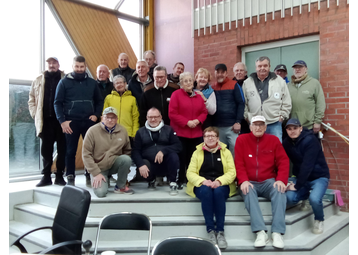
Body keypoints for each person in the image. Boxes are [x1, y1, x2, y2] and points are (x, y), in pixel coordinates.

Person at [235, 115, 289, 249]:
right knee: (248, 190)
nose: (258, 127)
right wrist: (243, 180)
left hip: (267, 181)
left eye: (261, 125)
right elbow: (238, 163)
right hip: (249, 181)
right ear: (250, 126)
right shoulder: (241, 139)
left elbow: (283, 161)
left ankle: (277, 232)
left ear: (265, 127)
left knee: (279, 190)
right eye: (255, 124)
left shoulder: (274, 140)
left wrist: (281, 179)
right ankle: (260, 232)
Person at [54, 55, 103, 186]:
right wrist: (62, 121)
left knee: (90, 150)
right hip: (71, 122)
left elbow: (99, 101)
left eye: (82, 67)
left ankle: (89, 173)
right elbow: (57, 103)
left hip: (88, 121)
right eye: (77, 66)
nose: (79, 69)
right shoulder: (64, 82)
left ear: (85, 67)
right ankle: (70, 176)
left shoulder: (92, 83)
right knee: (70, 151)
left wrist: (96, 115)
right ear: (72, 66)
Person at [186, 127, 237, 249]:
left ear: (218, 138)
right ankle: (210, 230)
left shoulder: (226, 152)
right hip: (203, 184)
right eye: (207, 136)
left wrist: (220, 181)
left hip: (222, 184)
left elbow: (232, 172)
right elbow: (190, 173)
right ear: (203, 138)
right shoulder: (197, 152)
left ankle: (220, 231)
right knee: (206, 192)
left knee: (218, 192)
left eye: (212, 136)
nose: (210, 138)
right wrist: (203, 181)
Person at [283, 119, 330, 234]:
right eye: (289, 129)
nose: (292, 131)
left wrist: (297, 185)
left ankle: (319, 219)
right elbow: (282, 161)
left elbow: (307, 165)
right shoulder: (286, 143)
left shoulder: (311, 140)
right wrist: (283, 181)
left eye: (295, 128)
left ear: (300, 128)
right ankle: (305, 197)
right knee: (289, 198)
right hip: (301, 177)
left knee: (315, 199)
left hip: (319, 177)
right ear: (286, 131)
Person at [28, 57, 66, 187]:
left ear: (58, 64)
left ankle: (60, 176)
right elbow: (31, 98)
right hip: (46, 121)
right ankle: (46, 177)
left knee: (62, 149)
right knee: (46, 150)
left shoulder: (65, 79)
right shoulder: (38, 80)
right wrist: (35, 114)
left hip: (62, 121)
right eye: (49, 63)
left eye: (54, 63)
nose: (52, 65)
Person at [82, 107, 134, 197]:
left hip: (113, 163)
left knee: (126, 159)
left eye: (113, 117)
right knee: (101, 193)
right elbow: (86, 154)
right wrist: (96, 173)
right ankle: (103, 178)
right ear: (102, 118)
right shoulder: (92, 131)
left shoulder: (123, 131)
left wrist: (125, 171)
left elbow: (127, 151)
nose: (110, 120)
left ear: (117, 119)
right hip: (98, 168)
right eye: (107, 117)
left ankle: (120, 186)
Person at [169, 72, 208, 188]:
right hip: (181, 132)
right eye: (185, 81)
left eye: (190, 80)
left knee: (193, 158)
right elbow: (172, 113)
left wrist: (198, 120)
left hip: (196, 133)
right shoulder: (176, 95)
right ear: (181, 83)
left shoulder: (198, 96)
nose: (188, 83)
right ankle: (180, 180)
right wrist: (187, 122)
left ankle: (192, 180)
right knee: (182, 158)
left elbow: (204, 112)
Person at [132, 107, 182, 195]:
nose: (153, 119)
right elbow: (136, 151)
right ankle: (151, 181)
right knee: (143, 163)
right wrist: (140, 164)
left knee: (173, 156)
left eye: (156, 117)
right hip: (149, 164)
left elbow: (178, 146)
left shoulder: (169, 129)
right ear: (147, 118)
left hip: (165, 163)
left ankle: (173, 182)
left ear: (160, 117)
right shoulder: (140, 132)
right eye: (150, 117)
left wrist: (163, 151)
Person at [242, 56, 291, 142]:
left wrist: (282, 116)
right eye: (259, 66)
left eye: (265, 66)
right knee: (256, 149)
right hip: (255, 123)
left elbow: (286, 100)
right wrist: (247, 116)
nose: (262, 68)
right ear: (256, 67)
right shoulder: (247, 82)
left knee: (276, 148)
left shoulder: (279, 81)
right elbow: (243, 102)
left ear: (269, 67)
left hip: (274, 122)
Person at [212, 63, 245, 156]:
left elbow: (241, 103)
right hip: (217, 126)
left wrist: (238, 121)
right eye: (218, 72)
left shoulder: (234, 85)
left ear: (226, 73)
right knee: (219, 152)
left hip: (232, 126)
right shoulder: (212, 87)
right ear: (215, 73)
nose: (220, 74)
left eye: (222, 72)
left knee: (235, 148)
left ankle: (233, 170)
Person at [288, 60, 326, 134]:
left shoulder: (314, 83)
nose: (297, 69)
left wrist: (317, 122)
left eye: (300, 67)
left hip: (308, 126)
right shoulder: (288, 85)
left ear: (306, 69)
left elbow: (320, 103)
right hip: (292, 127)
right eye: (295, 67)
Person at [103, 75, 139, 144]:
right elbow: (104, 116)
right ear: (114, 85)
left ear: (125, 84)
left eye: (121, 82)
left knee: (126, 154)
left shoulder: (132, 99)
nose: (119, 85)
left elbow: (135, 117)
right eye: (117, 83)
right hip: (112, 133)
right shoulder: (108, 98)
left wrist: (135, 133)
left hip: (127, 133)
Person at [232, 62, 250, 134]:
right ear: (234, 72)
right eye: (237, 70)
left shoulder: (251, 84)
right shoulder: (230, 84)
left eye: (241, 70)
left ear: (245, 72)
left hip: (248, 118)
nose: (239, 72)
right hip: (234, 119)